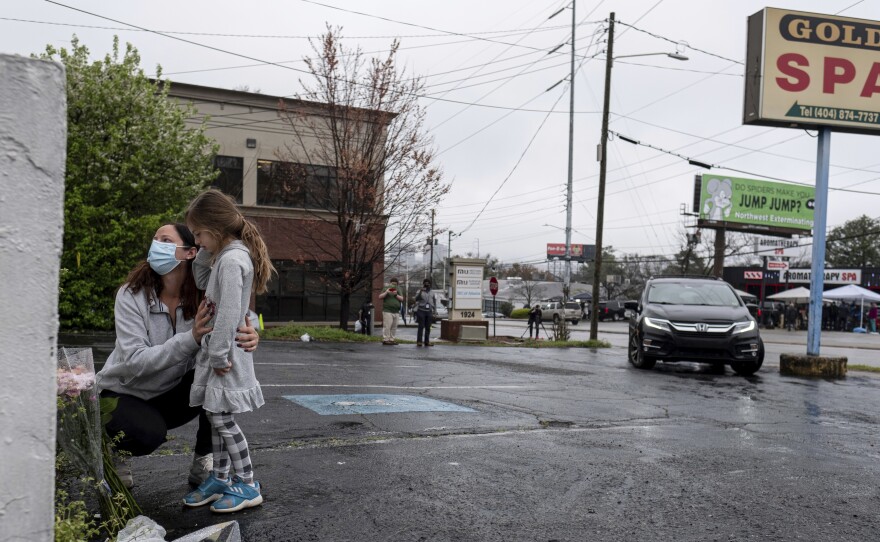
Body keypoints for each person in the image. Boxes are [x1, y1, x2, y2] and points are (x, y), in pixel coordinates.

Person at [96, 223, 260, 489]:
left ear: (190, 253)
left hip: (170, 394)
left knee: (220, 379)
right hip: (124, 393)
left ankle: (204, 462)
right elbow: (135, 362)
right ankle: (117, 452)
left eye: (165, 239)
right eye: (155, 238)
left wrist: (249, 337)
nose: (156, 244)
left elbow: (234, 321)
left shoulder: (204, 296)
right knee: (147, 434)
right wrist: (191, 338)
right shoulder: (131, 294)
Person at [182, 189, 275, 513]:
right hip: (220, 352)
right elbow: (203, 278)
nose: (197, 241)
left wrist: (220, 354)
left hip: (226, 355)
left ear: (216, 228)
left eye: (199, 233)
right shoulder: (224, 257)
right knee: (215, 414)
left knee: (222, 419)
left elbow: (231, 311)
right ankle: (221, 477)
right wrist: (207, 251)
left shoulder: (234, 260)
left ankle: (247, 483)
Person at [379, 278, 404, 345]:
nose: (393, 286)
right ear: (390, 283)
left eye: (395, 284)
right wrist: (386, 292)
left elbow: (402, 299)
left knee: (394, 326)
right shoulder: (386, 288)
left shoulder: (398, 289)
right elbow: (380, 297)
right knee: (387, 325)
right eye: (392, 284)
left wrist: (396, 294)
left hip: (396, 311)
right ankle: (386, 339)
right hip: (387, 310)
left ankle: (392, 339)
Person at [414, 278, 435, 347]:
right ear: (423, 284)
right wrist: (420, 291)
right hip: (421, 310)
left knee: (428, 327)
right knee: (421, 326)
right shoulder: (419, 291)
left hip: (429, 311)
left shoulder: (432, 292)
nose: (427, 284)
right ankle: (419, 341)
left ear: (430, 284)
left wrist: (434, 311)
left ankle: (427, 341)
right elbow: (416, 299)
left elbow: (434, 301)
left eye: (428, 283)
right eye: (425, 283)